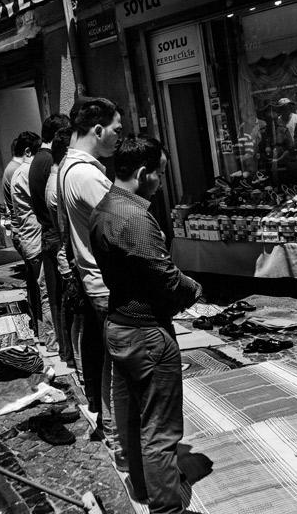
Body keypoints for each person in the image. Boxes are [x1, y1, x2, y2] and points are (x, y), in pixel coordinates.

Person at [91, 136, 202, 512]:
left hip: (121, 325)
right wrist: (195, 289)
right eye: (160, 174)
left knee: (134, 418)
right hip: (145, 333)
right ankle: (166, 507)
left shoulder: (105, 207)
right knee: (160, 429)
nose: (161, 182)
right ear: (142, 173)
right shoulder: (134, 217)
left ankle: (143, 488)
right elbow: (166, 279)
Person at [58, 97, 124, 463]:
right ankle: (118, 437)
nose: (119, 137)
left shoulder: (70, 168)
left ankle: (112, 429)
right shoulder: (86, 175)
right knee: (123, 366)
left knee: (113, 360)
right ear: (98, 130)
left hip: (94, 278)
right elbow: (124, 227)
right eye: (116, 129)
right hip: (106, 282)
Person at [30, 114, 73, 362]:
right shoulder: (49, 161)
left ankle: (63, 348)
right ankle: (66, 349)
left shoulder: (39, 159)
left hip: (47, 232)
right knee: (62, 297)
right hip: (55, 233)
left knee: (55, 296)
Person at [46, 124, 78, 369]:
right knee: (74, 313)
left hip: (65, 253)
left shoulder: (57, 178)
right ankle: (72, 356)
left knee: (72, 311)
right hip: (68, 255)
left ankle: (71, 355)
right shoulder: (59, 180)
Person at [3, 132, 42, 253]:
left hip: (21, 229)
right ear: (27, 152)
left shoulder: (13, 168)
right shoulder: (17, 170)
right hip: (24, 229)